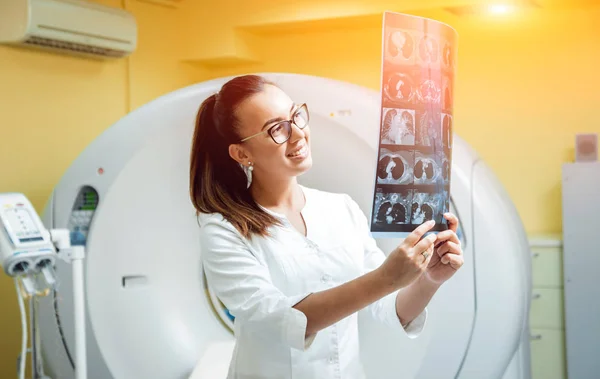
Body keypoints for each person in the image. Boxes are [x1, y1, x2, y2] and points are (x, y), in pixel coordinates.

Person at [189, 74, 464, 379]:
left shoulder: (340, 208)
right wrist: (386, 278)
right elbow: (279, 320)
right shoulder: (223, 229)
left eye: (296, 116)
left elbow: (388, 308)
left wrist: (429, 280)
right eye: (276, 129)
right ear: (242, 153)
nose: (298, 135)